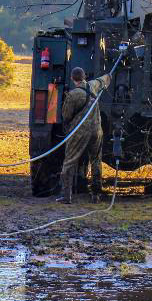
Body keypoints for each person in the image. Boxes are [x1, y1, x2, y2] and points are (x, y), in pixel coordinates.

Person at [57, 67, 112, 204]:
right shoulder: (93, 85)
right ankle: (96, 195)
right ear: (84, 77)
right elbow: (104, 80)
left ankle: (66, 196)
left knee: (69, 161)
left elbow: (66, 116)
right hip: (96, 131)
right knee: (96, 161)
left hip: (80, 132)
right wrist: (108, 75)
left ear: (72, 78)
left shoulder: (73, 95)